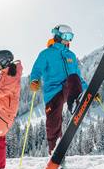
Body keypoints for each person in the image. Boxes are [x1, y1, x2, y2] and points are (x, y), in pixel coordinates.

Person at [29, 24, 89, 157]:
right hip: (52, 91)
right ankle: (54, 153)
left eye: (71, 37)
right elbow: (37, 69)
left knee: (73, 77)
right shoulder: (46, 54)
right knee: (53, 124)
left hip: (69, 87)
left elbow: (78, 75)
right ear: (57, 36)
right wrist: (34, 80)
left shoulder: (71, 55)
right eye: (67, 36)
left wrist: (89, 90)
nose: (69, 40)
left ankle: (75, 102)